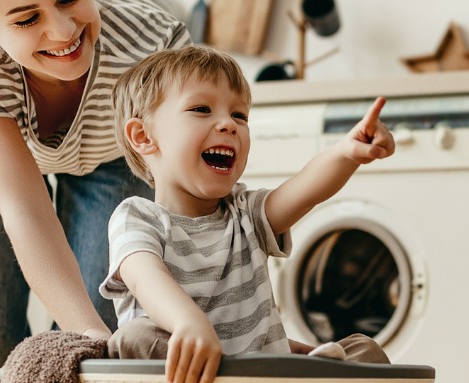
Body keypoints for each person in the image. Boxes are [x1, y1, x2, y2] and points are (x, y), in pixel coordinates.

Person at [99, 45, 394, 383]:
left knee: (364, 351)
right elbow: (145, 277)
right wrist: (187, 322)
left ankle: (304, 366)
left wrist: (347, 153)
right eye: (201, 109)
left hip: (258, 375)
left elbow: (305, 189)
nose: (228, 124)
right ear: (143, 136)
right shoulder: (136, 217)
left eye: (239, 115)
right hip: (187, 372)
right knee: (134, 340)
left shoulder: (245, 214)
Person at [0, 0, 188, 381]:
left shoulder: (157, 42)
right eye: (28, 18)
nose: (65, 31)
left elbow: (186, 187)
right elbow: (25, 211)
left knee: (102, 315)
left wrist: (89, 337)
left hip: (115, 155)